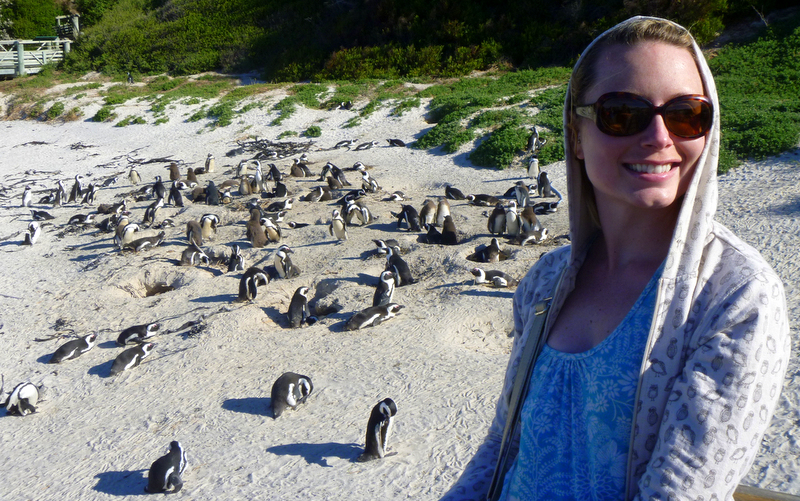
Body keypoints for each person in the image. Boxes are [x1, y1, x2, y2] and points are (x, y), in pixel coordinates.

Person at [442, 16, 790, 501]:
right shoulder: (544, 281)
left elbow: (682, 491)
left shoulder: (734, 294)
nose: (659, 138)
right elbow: (504, 445)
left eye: (686, 113)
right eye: (622, 113)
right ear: (577, 136)